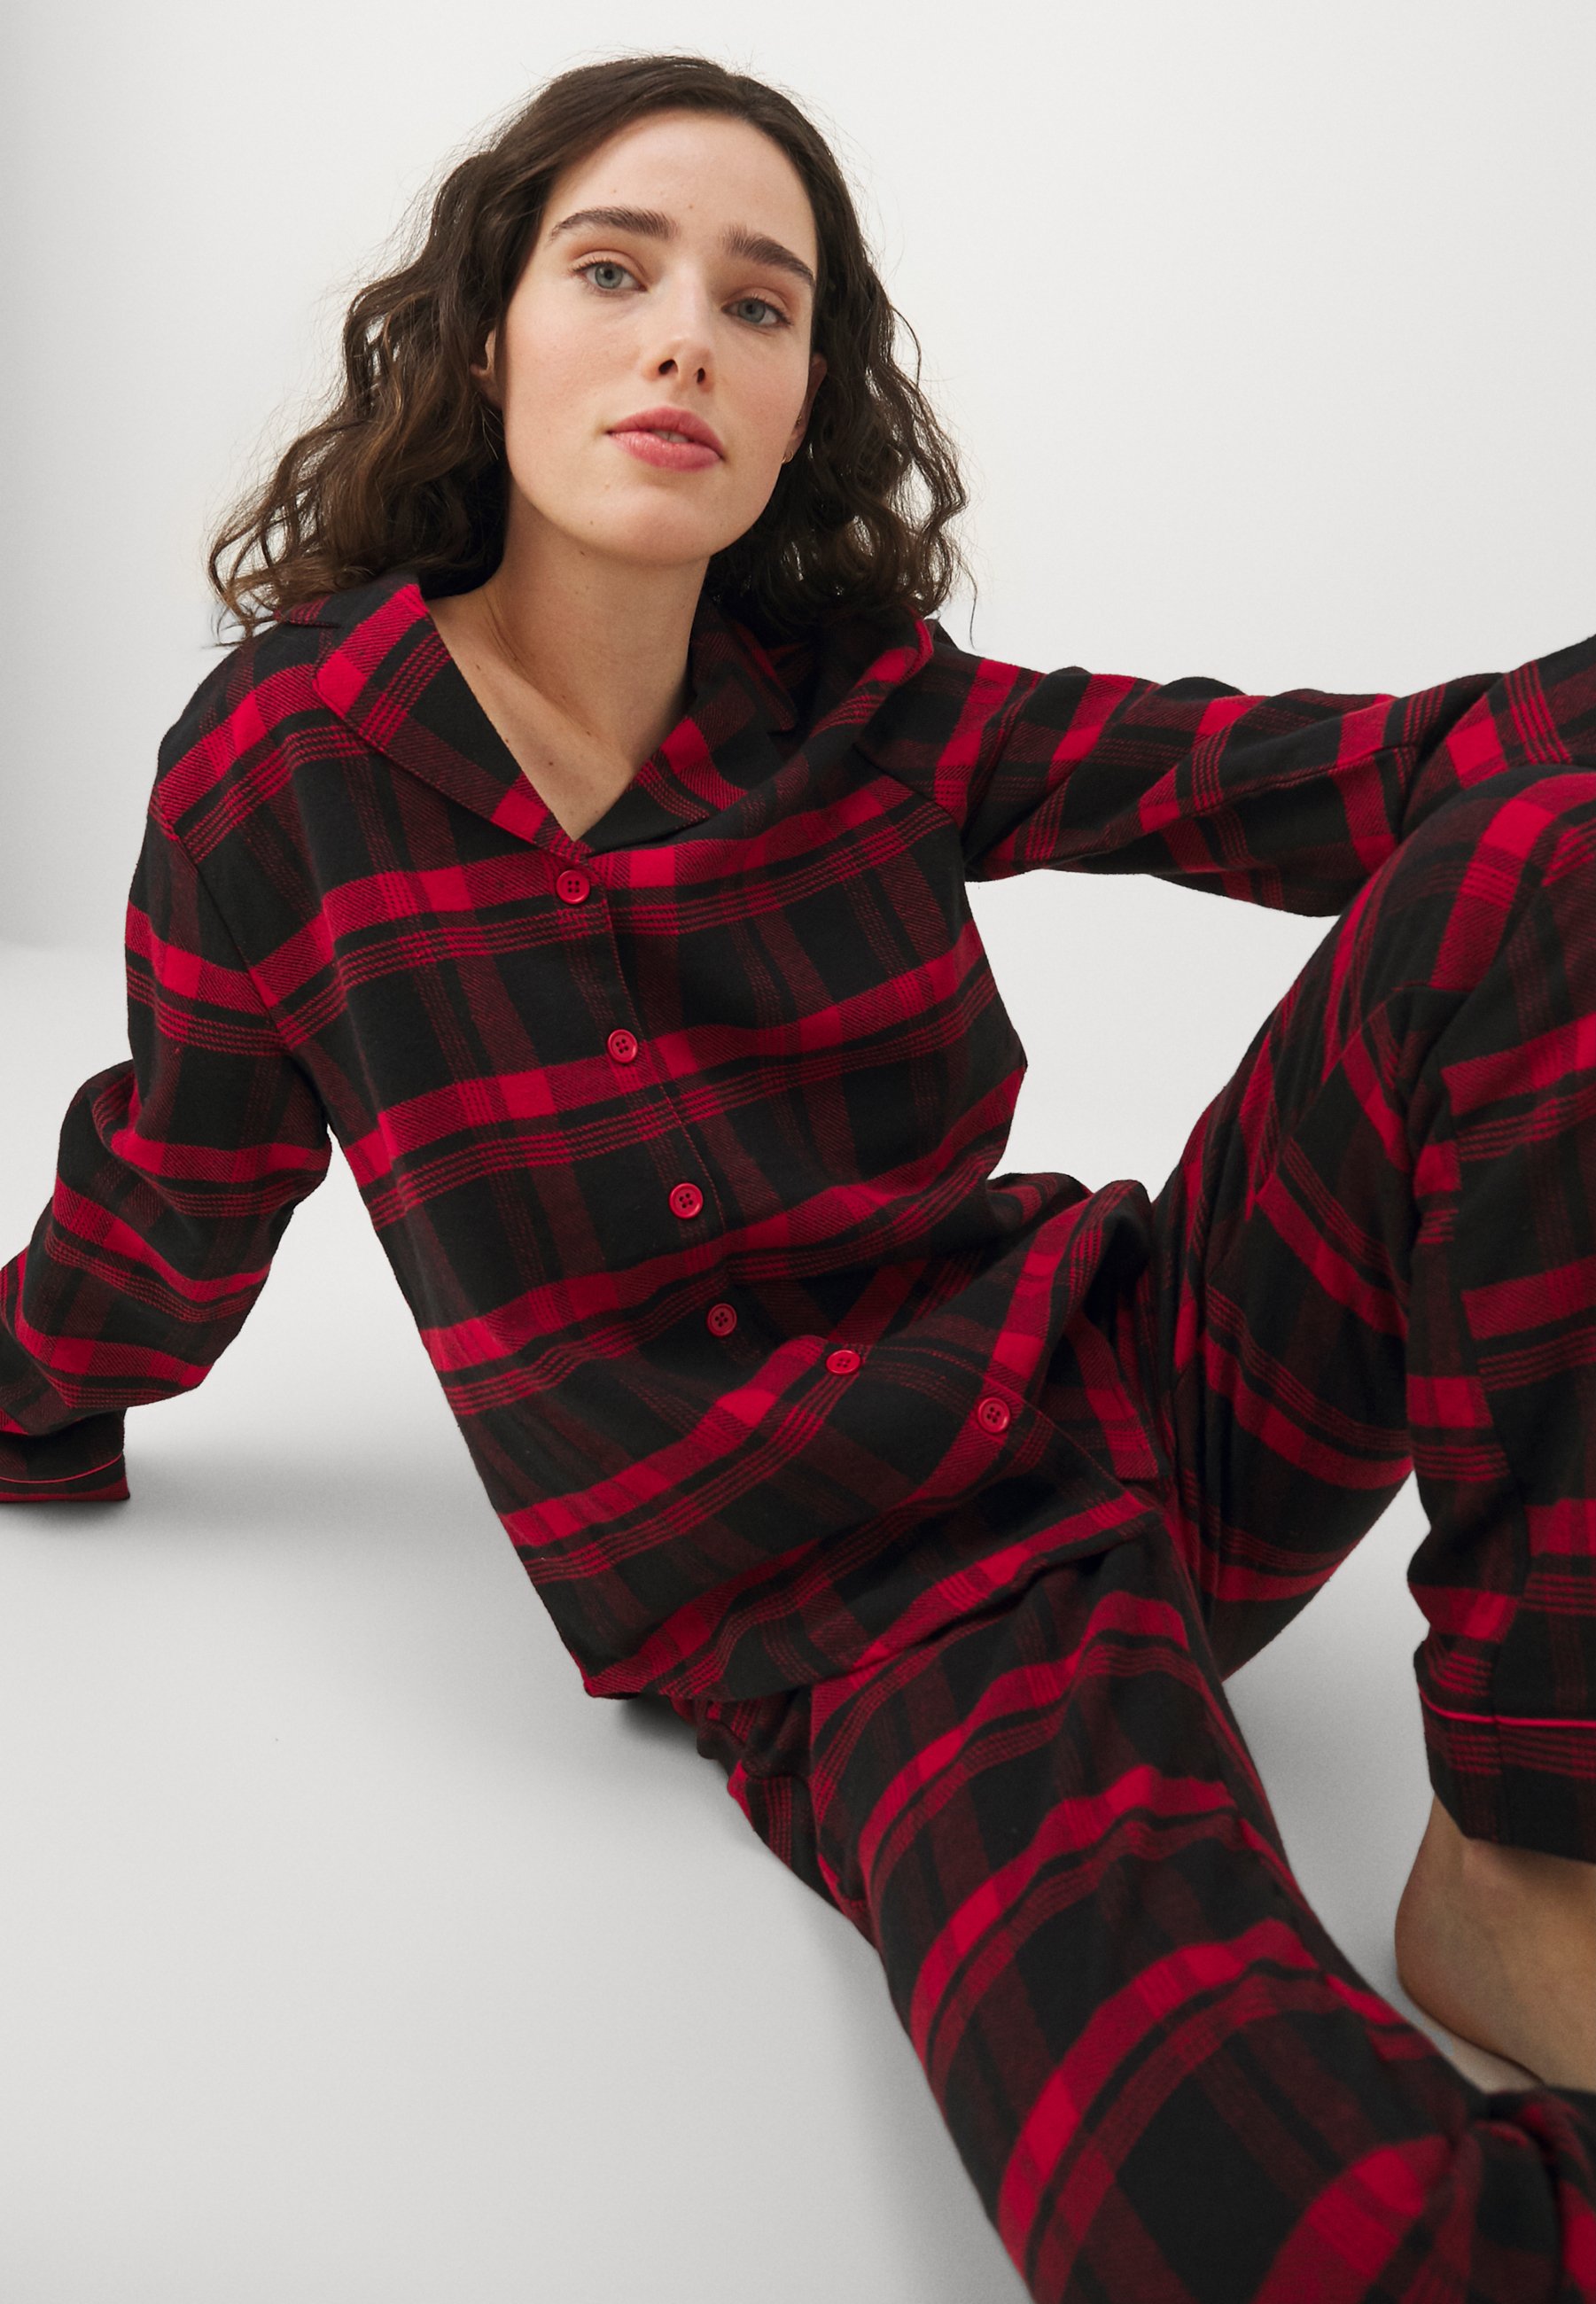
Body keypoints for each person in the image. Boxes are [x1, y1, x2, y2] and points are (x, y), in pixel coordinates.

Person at [4, 47, 1595, 2301]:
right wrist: (27, 1390)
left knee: (1554, 858)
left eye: (758, 304)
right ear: (485, 335)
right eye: (613, 268)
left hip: (1149, 1380)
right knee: (1296, 2251)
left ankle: (1535, 1839)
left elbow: (1356, 779)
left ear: (795, 406)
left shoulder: (857, 702)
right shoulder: (285, 776)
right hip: (873, 1610)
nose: (685, 337)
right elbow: (172, 1186)